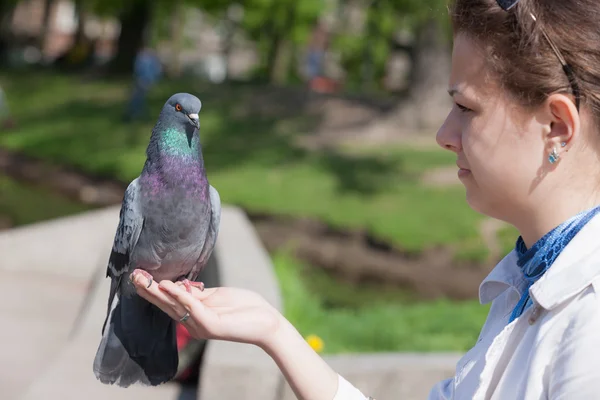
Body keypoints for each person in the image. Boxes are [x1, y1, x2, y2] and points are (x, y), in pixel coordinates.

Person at [130, 0, 600, 398]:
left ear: (556, 127)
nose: (443, 134)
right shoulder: (527, 279)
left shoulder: (589, 328)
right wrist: (272, 331)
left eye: (465, 108)